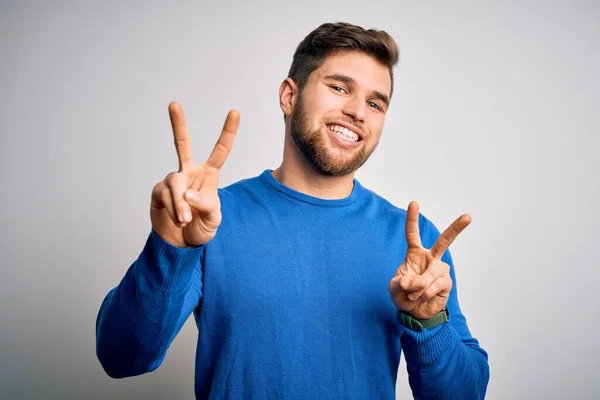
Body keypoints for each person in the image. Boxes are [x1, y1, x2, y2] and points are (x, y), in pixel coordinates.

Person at [96, 22, 490, 399]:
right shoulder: (211, 218)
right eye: (339, 87)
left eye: (375, 103)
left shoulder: (414, 241)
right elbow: (122, 357)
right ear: (289, 95)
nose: (358, 111)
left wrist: (429, 323)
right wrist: (171, 249)